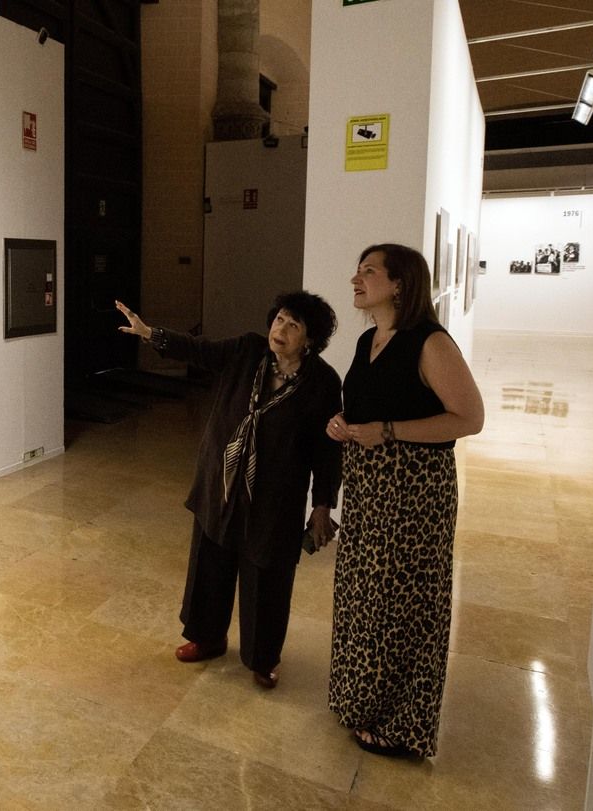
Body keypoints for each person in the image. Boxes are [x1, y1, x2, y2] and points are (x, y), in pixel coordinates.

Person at [115, 292, 342, 690]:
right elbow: (200, 350)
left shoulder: (322, 382)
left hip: (275, 497)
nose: (280, 330)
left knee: (267, 577)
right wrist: (152, 334)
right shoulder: (247, 350)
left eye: (293, 326)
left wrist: (322, 504)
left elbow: (326, 450)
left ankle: (262, 657)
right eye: (280, 320)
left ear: (310, 339)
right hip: (221, 482)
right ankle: (207, 637)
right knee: (210, 563)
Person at [324, 243, 484, 759]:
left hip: (415, 490)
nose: (356, 278)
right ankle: (359, 699)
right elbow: (366, 407)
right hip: (370, 487)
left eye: (368, 271)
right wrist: (342, 426)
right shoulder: (370, 338)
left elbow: (469, 418)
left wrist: (389, 432)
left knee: (405, 604)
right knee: (363, 596)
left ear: (399, 284)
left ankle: (402, 722)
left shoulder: (430, 343)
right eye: (358, 268)